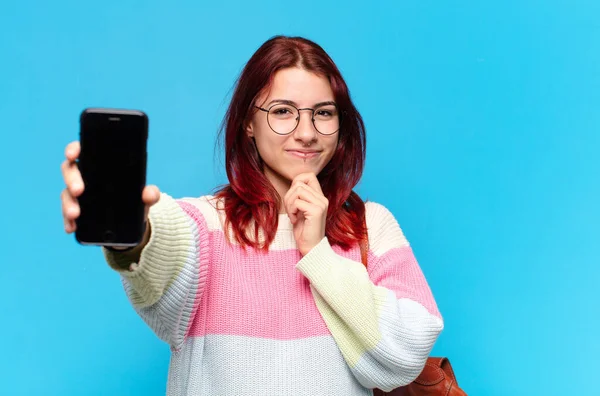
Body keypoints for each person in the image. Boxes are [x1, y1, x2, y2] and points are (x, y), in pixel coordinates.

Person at [60, 35, 444, 395]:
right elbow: (163, 239)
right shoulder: (207, 227)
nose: (306, 132)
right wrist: (133, 230)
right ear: (248, 123)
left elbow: (404, 358)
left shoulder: (371, 227)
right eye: (282, 111)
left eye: (323, 113)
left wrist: (319, 255)